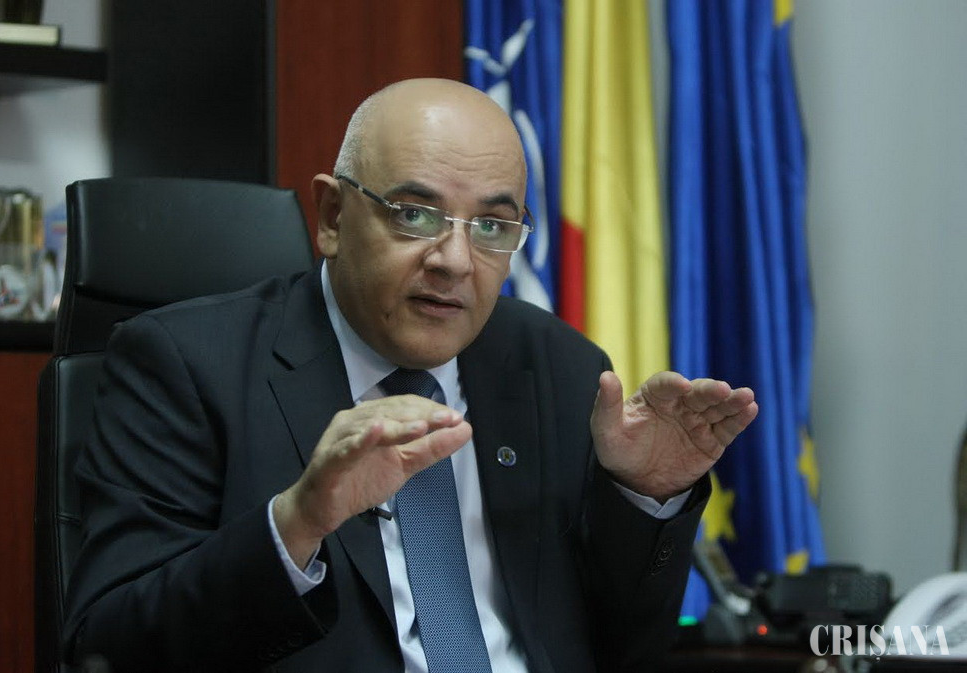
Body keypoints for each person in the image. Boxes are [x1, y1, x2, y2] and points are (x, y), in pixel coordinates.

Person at [63, 78, 758, 672]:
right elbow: (109, 644)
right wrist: (296, 523)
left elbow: (624, 649)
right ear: (332, 216)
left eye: (492, 226)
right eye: (415, 214)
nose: (454, 260)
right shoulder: (185, 364)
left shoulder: (559, 368)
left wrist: (644, 500)